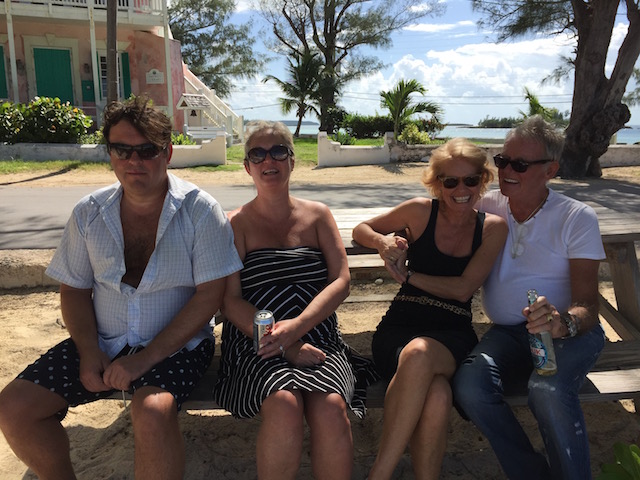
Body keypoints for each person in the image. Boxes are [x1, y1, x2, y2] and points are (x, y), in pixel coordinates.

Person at [0, 96, 243, 479]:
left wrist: (144, 359)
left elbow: (209, 297)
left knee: (152, 411)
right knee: (14, 407)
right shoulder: (89, 212)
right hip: (104, 340)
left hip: (177, 345)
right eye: (122, 149)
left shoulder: (200, 210)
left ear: (168, 152)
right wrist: (88, 349)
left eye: (147, 150)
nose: (135, 161)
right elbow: (76, 290)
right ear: (109, 152)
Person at [213, 120, 378, 480]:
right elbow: (231, 302)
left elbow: (341, 280)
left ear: (291, 160)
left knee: (331, 408)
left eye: (278, 151)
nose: (267, 160)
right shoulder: (234, 225)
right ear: (247, 166)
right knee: (284, 404)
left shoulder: (318, 215)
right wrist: (282, 341)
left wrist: (298, 330)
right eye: (257, 153)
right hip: (255, 341)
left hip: (318, 336)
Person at [452, 115, 606, 480]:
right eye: (502, 160)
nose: (505, 170)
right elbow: (432, 213)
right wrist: (391, 242)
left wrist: (563, 323)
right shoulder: (487, 206)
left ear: (550, 170)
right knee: (469, 388)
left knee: (546, 389)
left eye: (519, 164)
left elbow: (589, 303)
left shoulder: (576, 217)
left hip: (569, 335)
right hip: (507, 333)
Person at [352, 138, 508, 479]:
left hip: (453, 332)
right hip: (399, 327)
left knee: (420, 354)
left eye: (470, 180)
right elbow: (361, 229)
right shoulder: (420, 211)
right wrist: (383, 242)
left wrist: (408, 275)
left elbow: (463, 288)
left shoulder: (493, 229)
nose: (461, 189)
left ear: (483, 180)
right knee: (437, 395)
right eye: (450, 181)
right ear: (437, 183)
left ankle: (379, 473)